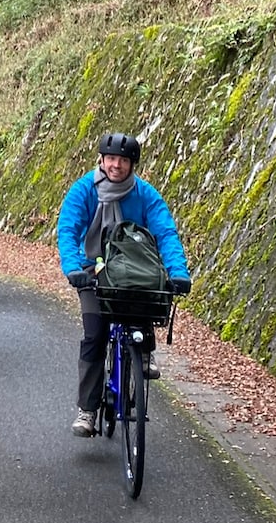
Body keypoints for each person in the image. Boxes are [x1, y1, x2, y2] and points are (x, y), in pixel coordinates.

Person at [58, 131, 191, 437]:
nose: (116, 165)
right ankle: (88, 410)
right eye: (110, 159)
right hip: (92, 270)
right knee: (95, 335)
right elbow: (68, 228)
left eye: (123, 160)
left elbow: (166, 233)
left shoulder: (145, 195)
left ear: (133, 164)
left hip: (133, 270)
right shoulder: (84, 191)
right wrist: (74, 267)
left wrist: (178, 272)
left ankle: (143, 352)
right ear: (101, 160)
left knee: (145, 299)